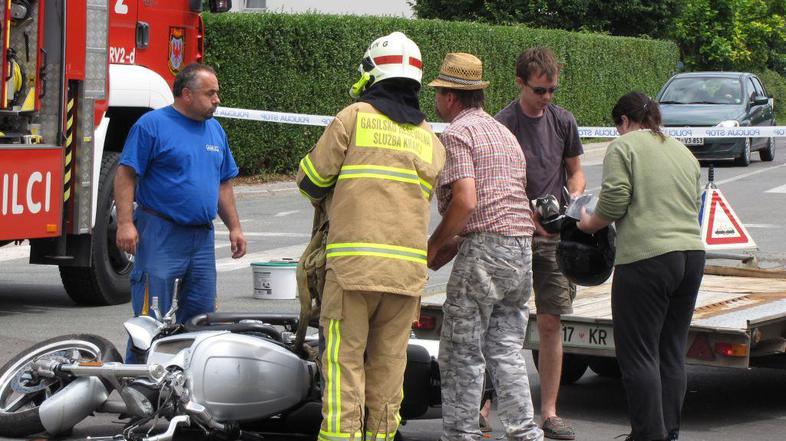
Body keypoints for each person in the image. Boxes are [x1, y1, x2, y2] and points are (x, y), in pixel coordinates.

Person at [296, 31, 445, 441]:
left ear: (372, 73)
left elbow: (311, 181)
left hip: (352, 273)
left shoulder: (353, 118)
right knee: (388, 369)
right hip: (405, 278)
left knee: (343, 366)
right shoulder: (429, 137)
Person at [427, 52, 543, 441]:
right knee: (506, 349)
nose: (436, 99)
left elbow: (466, 202)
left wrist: (432, 247)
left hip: (486, 252)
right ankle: (525, 433)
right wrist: (453, 244)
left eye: (438, 92)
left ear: (450, 96)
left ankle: (462, 435)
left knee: (461, 352)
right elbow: (498, 206)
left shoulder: (457, 134)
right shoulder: (503, 133)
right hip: (520, 249)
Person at [577, 92, 705, 441]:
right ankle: (669, 432)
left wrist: (590, 223)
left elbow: (615, 200)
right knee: (671, 350)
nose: (618, 132)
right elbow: (694, 202)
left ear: (624, 121)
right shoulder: (682, 151)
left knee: (639, 354)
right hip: (691, 256)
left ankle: (648, 435)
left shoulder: (624, 146)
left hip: (647, 259)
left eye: (617, 126)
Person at [115, 63, 247, 362]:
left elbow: (223, 184)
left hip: (201, 238)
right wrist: (124, 223)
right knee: (150, 321)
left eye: (217, 93)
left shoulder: (215, 130)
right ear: (187, 94)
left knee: (201, 319)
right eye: (210, 93)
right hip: (160, 232)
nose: (217, 100)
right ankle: (138, 380)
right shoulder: (152, 126)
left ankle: (187, 379)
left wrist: (235, 228)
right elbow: (126, 174)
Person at [495, 47, 584, 440]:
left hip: (552, 238)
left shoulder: (563, 120)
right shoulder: (504, 123)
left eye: (552, 90)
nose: (547, 97)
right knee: (501, 323)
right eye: (539, 90)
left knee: (550, 322)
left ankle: (549, 412)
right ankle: (485, 408)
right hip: (511, 236)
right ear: (520, 83)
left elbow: (576, 171)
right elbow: (496, 181)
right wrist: (525, 212)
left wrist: (572, 202)